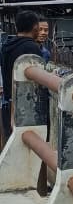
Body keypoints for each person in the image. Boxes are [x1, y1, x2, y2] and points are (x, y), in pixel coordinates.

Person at [1, 9, 44, 143]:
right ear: (35, 27)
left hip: (8, 102)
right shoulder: (31, 47)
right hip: (25, 106)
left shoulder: (7, 46)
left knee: (12, 141)